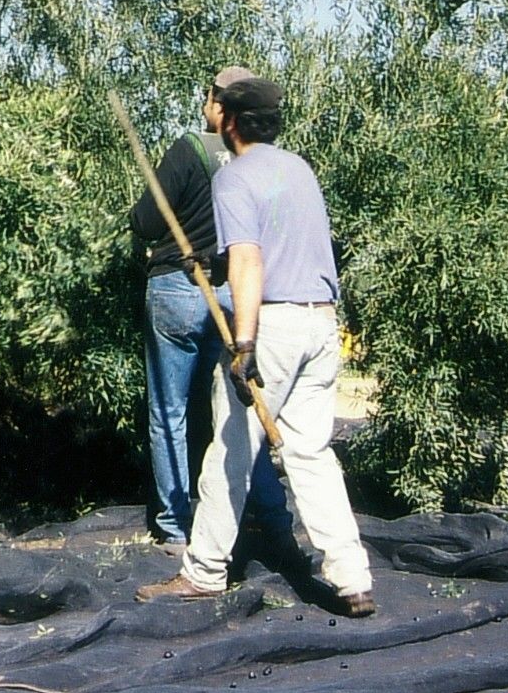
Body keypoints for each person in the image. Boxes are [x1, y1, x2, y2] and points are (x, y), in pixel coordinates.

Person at [137, 76, 376, 616]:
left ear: (230, 119)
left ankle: (203, 572)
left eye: (214, 104)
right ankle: (353, 577)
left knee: (230, 451)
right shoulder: (299, 169)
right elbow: (285, 246)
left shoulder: (235, 176)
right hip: (321, 324)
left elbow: (249, 260)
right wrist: (215, 264)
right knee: (311, 453)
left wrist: (244, 343)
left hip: (271, 327)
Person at [130, 66, 293, 549]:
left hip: (179, 290)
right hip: (234, 296)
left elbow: (146, 223)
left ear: (218, 104)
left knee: (170, 413)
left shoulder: (190, 149)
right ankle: (272, 518)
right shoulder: (263, 161)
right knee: (241, 406)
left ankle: (176, 528)